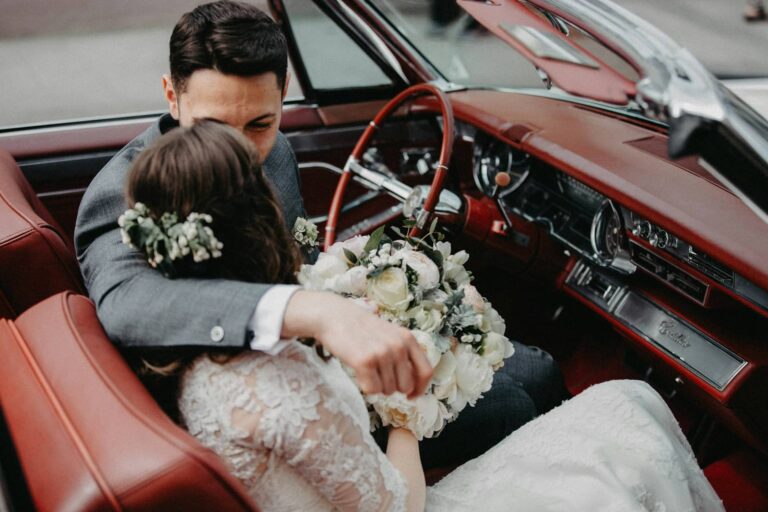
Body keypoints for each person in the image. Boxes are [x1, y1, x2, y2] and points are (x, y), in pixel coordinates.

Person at [125, 121, 724, 512]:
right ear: (259, 223)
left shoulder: (186, 346)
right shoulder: (286, 388)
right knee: (628, 406)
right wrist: (406, 409)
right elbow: (400, 505)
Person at [74, 0, 565, 469]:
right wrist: (312, 312)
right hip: (270, 401)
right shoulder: (123, 193)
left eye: (260, 123)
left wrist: (379, 293)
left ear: (283, 90)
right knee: (517, 404)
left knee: (537, 368)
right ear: (171, 96)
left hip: (325, 355)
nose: (245, 153)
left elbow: (302, 262)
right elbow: (128, 302)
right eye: (215, 126)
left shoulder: (279, 153)